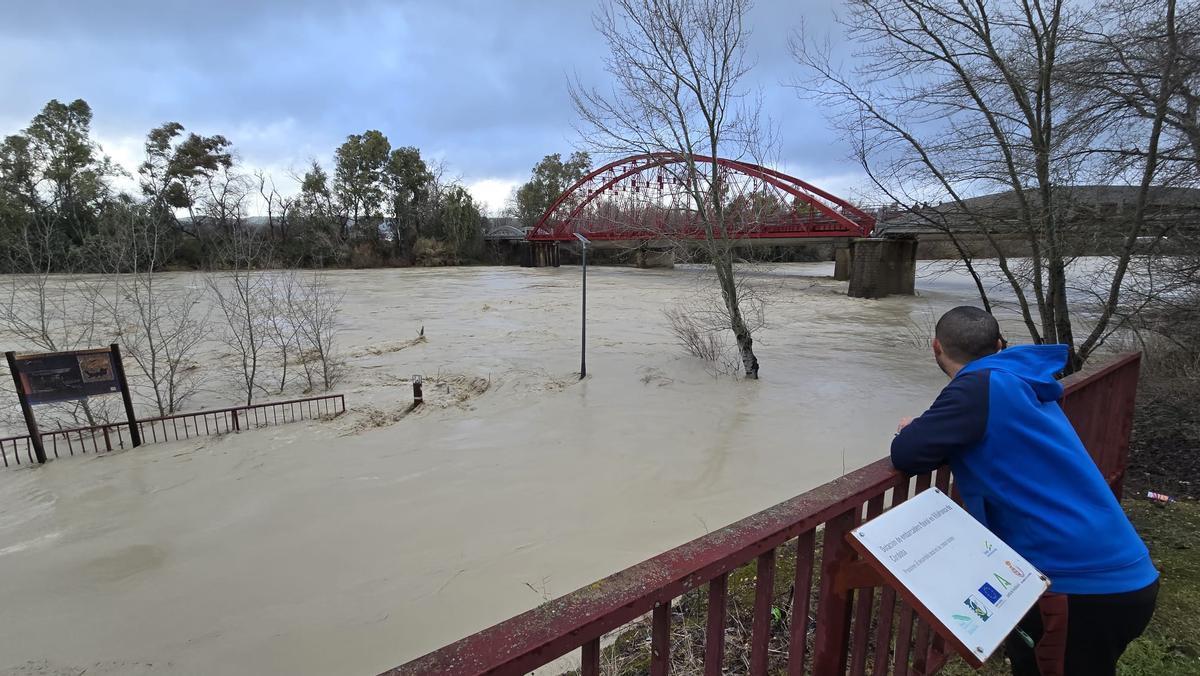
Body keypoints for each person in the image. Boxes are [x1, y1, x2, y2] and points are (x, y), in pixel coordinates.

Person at [891, 306, 1159, 676]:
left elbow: (908, 453)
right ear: (1000, 344)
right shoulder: (1019, 380)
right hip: (1112, 574)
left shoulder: (976, 387)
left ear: (936, 346)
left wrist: (912, 428)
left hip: (1079, 587)